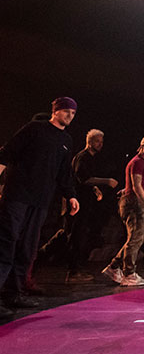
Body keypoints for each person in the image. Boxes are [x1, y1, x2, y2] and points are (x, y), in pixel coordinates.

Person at [0, 97, 80, 316]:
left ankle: (13, 293)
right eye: (66, 112)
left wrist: (71, 196)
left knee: (27, 247)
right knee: (7, 242)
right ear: (55, 111)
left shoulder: (66, 140)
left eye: (73, 114)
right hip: (17, 196)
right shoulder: (35, 129)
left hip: (41, 201)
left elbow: (64, 173)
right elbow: (7, 152)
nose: (69, 116)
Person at [102, 135, 144, 287]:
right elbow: (137, 186)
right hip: (134, 203)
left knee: (137, 237)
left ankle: (114, 267)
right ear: (142, 146)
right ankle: (129, 273)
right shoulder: (138, 162)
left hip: (133, 201)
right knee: (136, 237)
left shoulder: (140, 163)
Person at [64, 129, 118, 283]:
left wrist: (95, 189)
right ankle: (72, 272)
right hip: (76, 204)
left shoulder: (91, 158)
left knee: (73, 236)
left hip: (83, 203)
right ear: (89, 141)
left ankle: (74, 269)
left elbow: (84, 179)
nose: (100, 144)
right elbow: (83, 179)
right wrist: (106, 181)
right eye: (97, 141)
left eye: (101, 142)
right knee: (74, 237)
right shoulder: (83, 157)